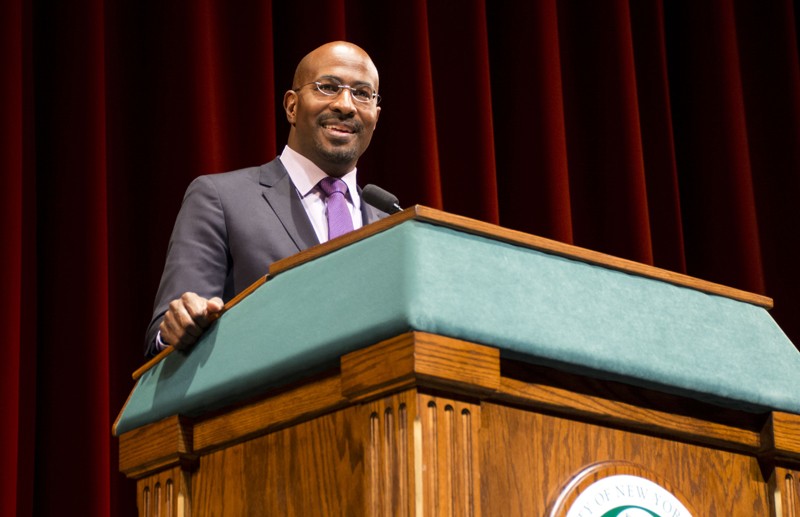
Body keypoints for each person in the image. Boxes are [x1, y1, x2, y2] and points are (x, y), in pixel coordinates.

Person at [145, 41, 386, 357]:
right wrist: (177, 327)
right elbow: (168, 333)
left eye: (362, 93)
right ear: (291, 106)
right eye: (328, 87)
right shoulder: (220, 199)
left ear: (375, 115)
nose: (345, 105)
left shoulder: (391, 225)